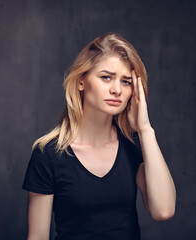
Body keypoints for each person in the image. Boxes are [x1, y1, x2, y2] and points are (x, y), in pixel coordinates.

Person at [22, 32, 176, 240]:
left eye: (126, 82)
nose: (117, 90)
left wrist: (145, 130)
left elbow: (163, 211)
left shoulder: (133, 145)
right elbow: (38, 237)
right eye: (106, 77)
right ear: (81, 82)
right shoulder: (48, 154)